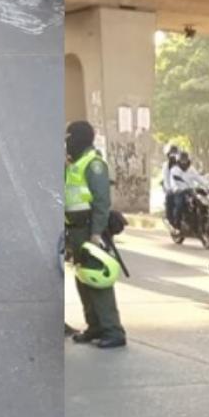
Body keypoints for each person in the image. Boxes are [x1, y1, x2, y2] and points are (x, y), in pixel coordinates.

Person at [65, 120, 126, 349]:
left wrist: (96, 234)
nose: (67, 143)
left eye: (69, 138)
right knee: (83, 279)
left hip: (90, 230)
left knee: (97, 280)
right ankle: (95, 326)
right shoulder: (76, 163)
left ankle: (113, 331)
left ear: (79, 138)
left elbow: (101, 202)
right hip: (75, 230)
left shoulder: (94, 164)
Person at [168, 151, 206, 229]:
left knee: (200, 202)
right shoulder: (174, 170)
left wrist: (208, 185)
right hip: (180, 192)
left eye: (185, 159)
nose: (184, 162)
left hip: (191, 191)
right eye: (182, 159)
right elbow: (173, 182)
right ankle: (177, 225)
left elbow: (199, 178)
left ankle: (199, 222)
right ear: (179, 160)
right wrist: (176, 188)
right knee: (180, 205)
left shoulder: (191, 169)